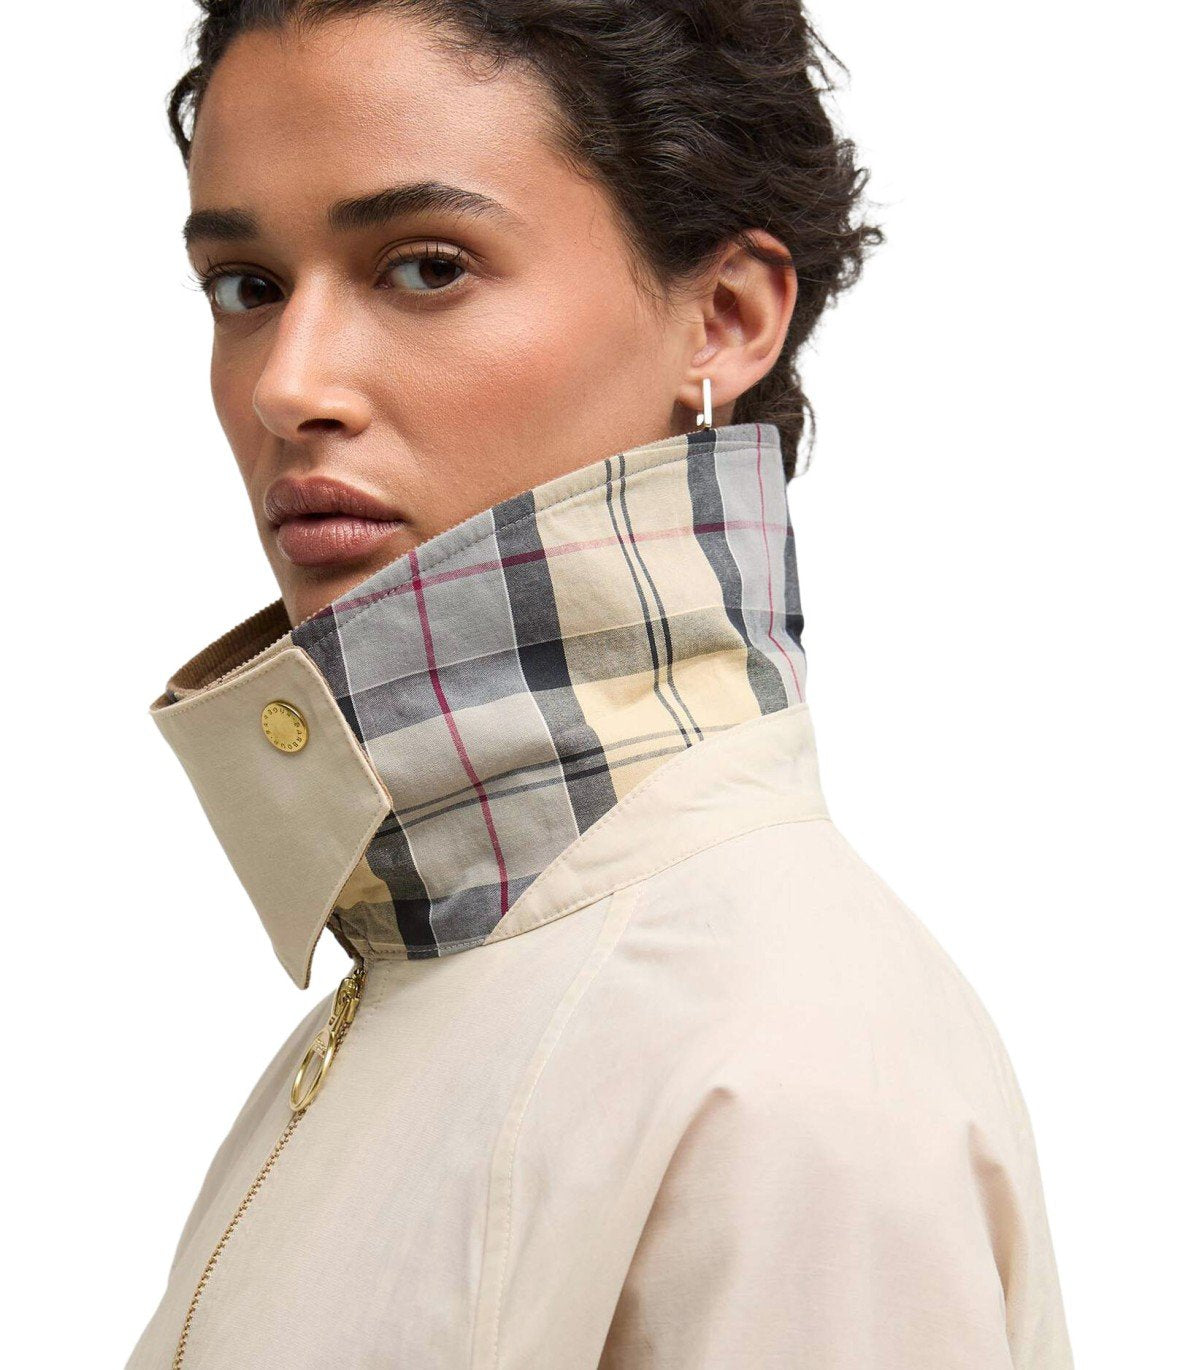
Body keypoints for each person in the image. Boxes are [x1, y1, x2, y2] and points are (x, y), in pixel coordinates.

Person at [125, 2, 1074, 1366]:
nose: (288, 384)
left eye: (425, 266)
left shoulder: (789, 1067)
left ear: (725, 318)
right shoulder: (404, 993)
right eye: (246, 287)